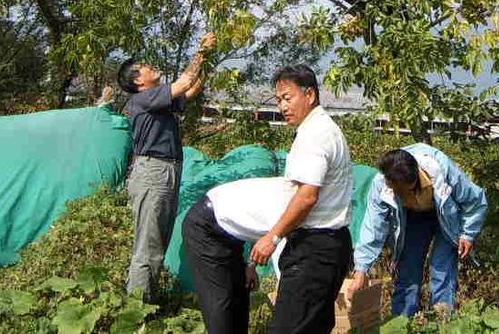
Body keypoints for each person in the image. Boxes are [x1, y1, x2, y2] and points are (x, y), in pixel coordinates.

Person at [249, 64, 354, 334]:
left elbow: (307, 197)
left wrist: (272, 237)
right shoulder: (323, 128)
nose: (283, 107)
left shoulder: (314, 135)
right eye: (278, 100)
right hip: (330, 245)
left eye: (288, 97)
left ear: (310, 95)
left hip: (314, 250)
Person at [116, 31, 216, 302]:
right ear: (138, 81)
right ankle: (136, 308)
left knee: (158, 242)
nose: (151, 66)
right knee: (148, 246)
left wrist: (206, 62)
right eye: (144, 67)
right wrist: (201, 52)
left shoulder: (157, 100)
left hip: (166, 170)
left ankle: (148, 302)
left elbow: (191, 90)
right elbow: (184, 83)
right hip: (153, 172)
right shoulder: (143, 99)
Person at [345, 145, 487, 318]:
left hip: (447, 216)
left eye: (403, 191)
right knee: (408, 269)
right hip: (413, 217)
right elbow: (373, 227)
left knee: (441, 268)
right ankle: (402, 321)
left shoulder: (442, 170)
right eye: (395, 191)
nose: (399, 195)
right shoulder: (381, 184)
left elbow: (476, 200)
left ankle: (442, 320)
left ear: (414, 180)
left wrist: (468, 233)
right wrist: (361, 269)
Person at [181, 176, 296, 334]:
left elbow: (258, 228)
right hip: (206, 226)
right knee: (221, 301)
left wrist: (251, 265)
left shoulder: (301, 198)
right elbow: (279, 251)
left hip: (232, 233)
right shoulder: (290, 204)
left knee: (240, 296)